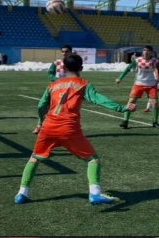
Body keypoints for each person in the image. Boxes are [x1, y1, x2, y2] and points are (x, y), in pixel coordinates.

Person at [14, 54, 135, 205]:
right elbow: (98, 99)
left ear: (63, 68)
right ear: (81, 68)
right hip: (69, 128)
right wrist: (122, 108)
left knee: (34, 158)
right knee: (92, 159)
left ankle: (21, 194)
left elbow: (41, 105)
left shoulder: (53, 84)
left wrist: (41, 122)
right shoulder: (83, 83)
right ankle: (95, 194)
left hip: (48, 127)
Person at [116, 45, 159, 129]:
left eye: (148, 50)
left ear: (151, 52)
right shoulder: (137, 60)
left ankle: (155, 122)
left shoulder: (155, 61)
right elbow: (128, 68)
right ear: (142, 52)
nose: (146, 52)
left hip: (151, 85)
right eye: (144, 50)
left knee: (155, 103)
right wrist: (120, 78)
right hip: (138, 84)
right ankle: (125, 121)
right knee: (131, 102)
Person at [33, 44, 74, 134]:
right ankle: (40, 124)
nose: (64, 53)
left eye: (66, 51)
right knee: (41, 105)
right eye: (62, 51)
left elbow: (77, 77)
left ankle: (45, 127)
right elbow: (50, 74)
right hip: (53, 88)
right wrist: (57, 80)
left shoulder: (73, 63)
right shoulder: (57, 62)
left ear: (70, 52)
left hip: (66, 91)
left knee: (59, 111)